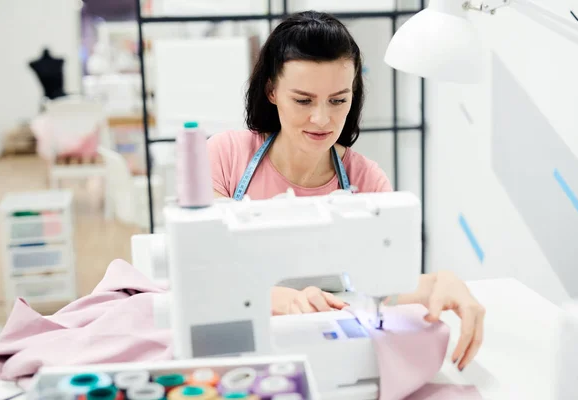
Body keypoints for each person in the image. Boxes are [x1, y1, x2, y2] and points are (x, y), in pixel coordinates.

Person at [207, 10, 485, 370]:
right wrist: (284, 299)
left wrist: (439, 283)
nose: (322, 119)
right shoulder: (225, 156)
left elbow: (386, 286)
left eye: (338, 100)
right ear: (272, 91)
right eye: (303, 100)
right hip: (241, 352)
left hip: (331, 355)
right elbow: (208, 269)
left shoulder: (367, 181)